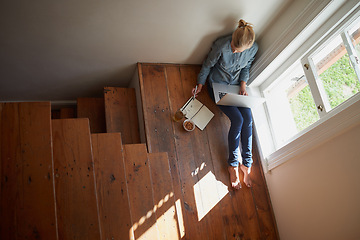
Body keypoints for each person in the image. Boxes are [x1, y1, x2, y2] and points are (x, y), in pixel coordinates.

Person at [192, 19, 258, 189]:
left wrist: (243, 87)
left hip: (236, 87)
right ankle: (233, 165)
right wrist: (199, 85)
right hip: (217, 86)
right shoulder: (221, 46)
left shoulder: (253, 49)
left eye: (239, 50)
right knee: (238, 120)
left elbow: (246, 68)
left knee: (248, 118)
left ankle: (247, 163)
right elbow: (207, 65)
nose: (235, 51)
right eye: (234, 48)